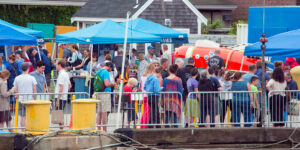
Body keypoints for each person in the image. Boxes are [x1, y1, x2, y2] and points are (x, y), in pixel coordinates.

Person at [14, 62, 37, 128]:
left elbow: (15, 89)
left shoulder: (17, 78)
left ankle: (22, 130)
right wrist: (35, 98)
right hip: (30, 99)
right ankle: (28, 129)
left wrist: (16, 95)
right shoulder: (32, 78)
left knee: (22, 117)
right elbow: (34, 89)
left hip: (21, 100)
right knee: (28, 116)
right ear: (28, 68)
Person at [96, 62, 115, 131]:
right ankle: (104, 130)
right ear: (109, 66)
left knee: (99, 112)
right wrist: (112, 84)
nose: (111, 70)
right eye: (111, 68)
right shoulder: (106, 72)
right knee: (105, 111)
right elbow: (106, 84)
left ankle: (98, 128)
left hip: (99, 92)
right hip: (105, 93)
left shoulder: (98, 71)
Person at [54, 59, 71, 129]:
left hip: (60, 97)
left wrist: (58, 99)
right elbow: (69, 85)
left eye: (56, 64)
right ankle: (62, 128)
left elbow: (61, 87)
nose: (55, 65)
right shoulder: (66, 74)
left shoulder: (61, 74)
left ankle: (61, 128)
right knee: (61, 113)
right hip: (64, 96)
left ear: (59, 65)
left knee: (59, 113)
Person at [140, 64, 155, 128]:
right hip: (149, 95)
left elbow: (141, 87)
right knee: (147, 112)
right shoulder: (151, 77)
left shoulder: (142, 77)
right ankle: (145, 126)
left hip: (143, 95)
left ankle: (142, 125)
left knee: (145, 112)